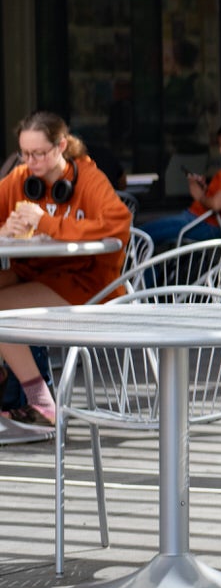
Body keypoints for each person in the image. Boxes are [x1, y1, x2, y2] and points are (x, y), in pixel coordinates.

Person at [0, 113, 132, 427]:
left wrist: (45, 222)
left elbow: (117, 224)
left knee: (1, 310)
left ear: (61, 146)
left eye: (39, 154)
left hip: (88, 284)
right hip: (34, 273)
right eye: (25, 153)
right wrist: (5, 228)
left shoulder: (87, 177)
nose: (30, 162)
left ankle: (42, 403)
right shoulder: (19, 179)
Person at [140, 124, 221, 252]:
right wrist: (206, 189)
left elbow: (217, 204)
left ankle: (145, 272)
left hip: (201, 223)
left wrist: (199, 195)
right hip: (203, 222)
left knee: (141, 238)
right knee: (145, 236)